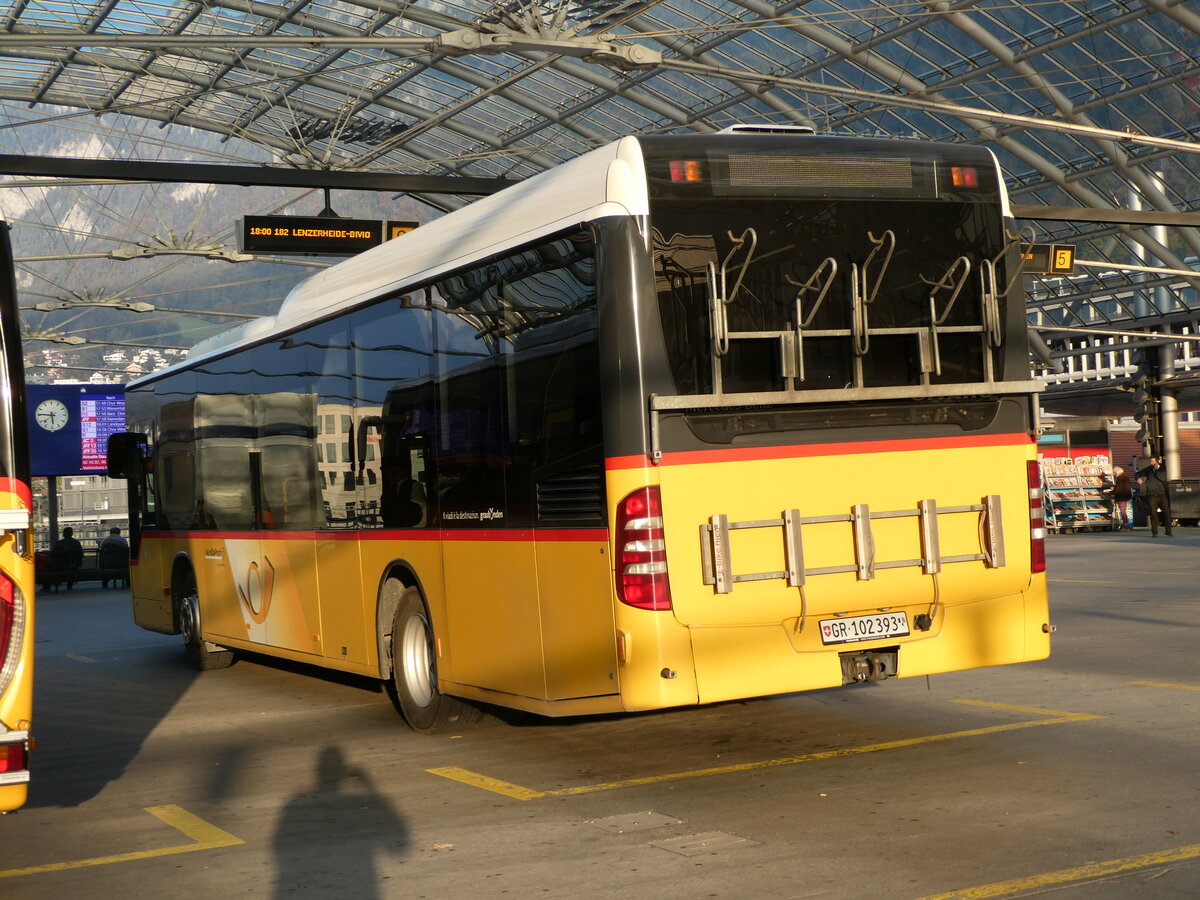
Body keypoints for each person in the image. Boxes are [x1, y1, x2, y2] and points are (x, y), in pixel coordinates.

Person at [1136, 456, 1172, 537]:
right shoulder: (1149, 469)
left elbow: (1162, 478)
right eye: (1151, 462)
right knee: (1153, 513)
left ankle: (1168, 531)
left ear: (1157, 461)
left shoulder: (1163, 468)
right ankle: (1154, 532)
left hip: (1161, 494)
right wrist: (1138, 478)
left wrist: (1156, 470)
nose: (1151, 463)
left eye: (1153, 461)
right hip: (1151, 494)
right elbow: (1138, 473)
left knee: (1166, 512)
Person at [52, 526, 84, 590]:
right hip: (74, 565)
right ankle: (70, 584)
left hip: (61, 566)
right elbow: (81, 554)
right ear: (72, 534)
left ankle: (47, 586)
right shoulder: (76, 542)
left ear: (63, 534)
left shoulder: (59, 543)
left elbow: (53, 554)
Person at [1110, 466, 1133, 531]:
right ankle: (1127, 525)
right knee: (1123, 511)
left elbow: (1118, 489)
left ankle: (1126, 526)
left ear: (1117, 472)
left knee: (1123, 512)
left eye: (1114, 473)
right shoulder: (1125, 477)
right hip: (1126, 496)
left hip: (1122, 497)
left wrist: (1110, 493)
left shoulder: (1121, 478)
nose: (1114, 475)